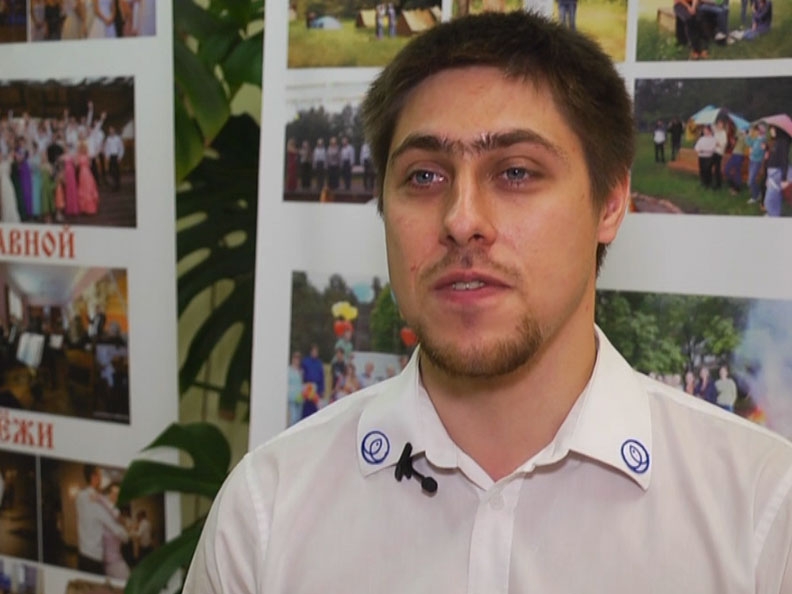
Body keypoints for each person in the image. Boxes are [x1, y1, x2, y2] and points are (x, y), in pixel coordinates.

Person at [184, 12, 792, 593]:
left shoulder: (761, 513)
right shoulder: (266, 512)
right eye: (424, 176)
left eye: (516, 172)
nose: (462, 220)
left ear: (610, 202)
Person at [75, 465, 129, 575]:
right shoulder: (97, 501)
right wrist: (126, 533)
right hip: (94, 558)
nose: (101, 479)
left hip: (81, 555)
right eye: (100, 475)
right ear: (94, 477)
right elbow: (116, 527)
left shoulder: (79, 496)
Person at [763, 125, 790, 217]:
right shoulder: (777, 141)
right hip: (772, 173)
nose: (771, 131)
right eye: (770, 129)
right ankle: (774, 216)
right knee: (775, 198)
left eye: (773, 129)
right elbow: (774, 157)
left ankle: (773, 216)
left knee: (769, 200)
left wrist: (784, 179)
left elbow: (784, 160)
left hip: (777, 173)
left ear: (779, 130)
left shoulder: (783, 141)